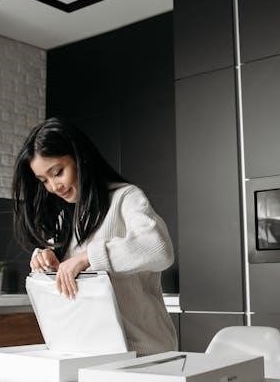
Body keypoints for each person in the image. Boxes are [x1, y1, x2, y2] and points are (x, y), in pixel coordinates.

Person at [12, 117, 178, 356]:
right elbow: (69, 289)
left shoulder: (125, 198)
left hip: (146, 352)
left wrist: (87, 257)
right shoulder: (66, 220)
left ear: (80, 158)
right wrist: (47, 264)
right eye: (44, 180)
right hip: (93, 353)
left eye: (57, 172)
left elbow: (159, 249)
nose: (54, 186)